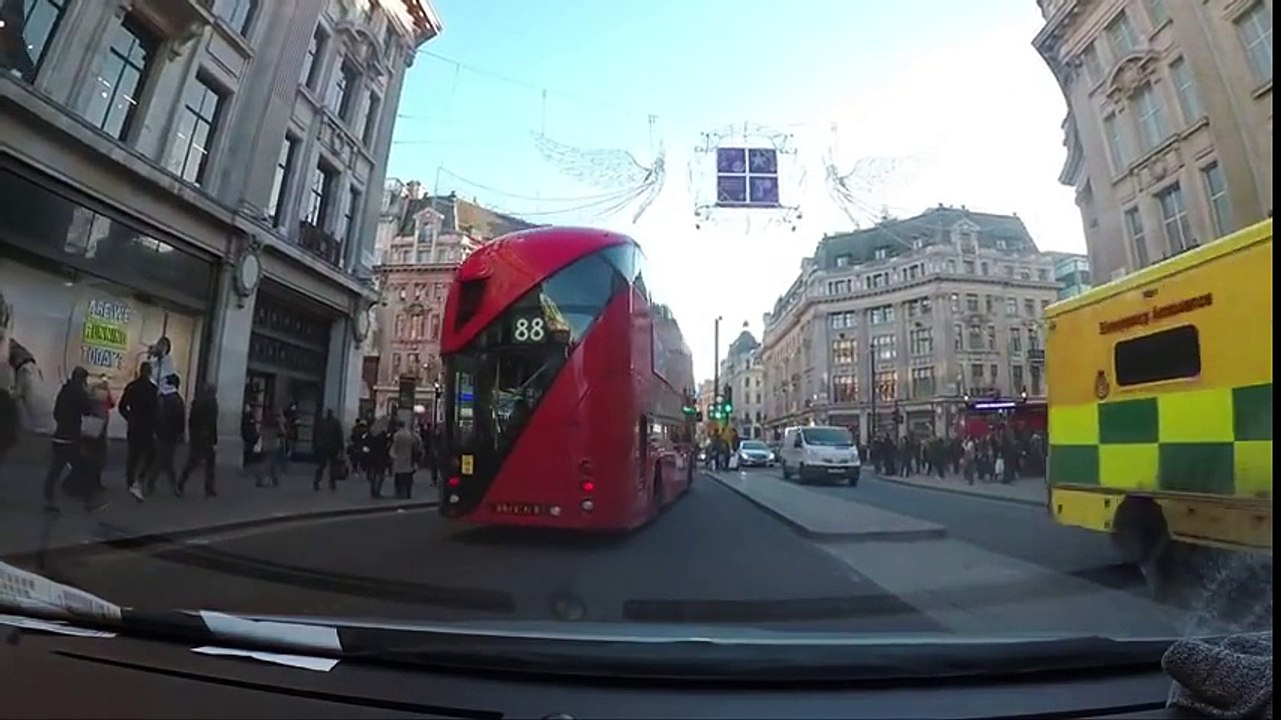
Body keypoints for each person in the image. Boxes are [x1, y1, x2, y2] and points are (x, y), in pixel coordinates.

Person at [42, 367, 94, 513]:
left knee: (55, 470)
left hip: (59, 436)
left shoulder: (64, 390)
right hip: (71, 438)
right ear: (83, 379)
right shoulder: (80, 392)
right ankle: (87, 501)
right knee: (84, 468)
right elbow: (88, 409)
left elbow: (56, 412)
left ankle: (49, 499)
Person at [118, 361, 158, 497]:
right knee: (150, 455)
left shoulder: (132, 387)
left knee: (133, 455)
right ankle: (141, 475)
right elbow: (156, 411)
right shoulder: (153, 389)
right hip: (147, 427)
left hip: (135, 425)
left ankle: (130, 481)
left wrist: (129, 417)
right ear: (149, 372)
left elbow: (122, 406)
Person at [148, 374, 187, 497]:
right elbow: (180, 418)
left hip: (161, 432)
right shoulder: (177, 399)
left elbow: (155, 415)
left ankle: (156, 483)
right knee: (164, 459)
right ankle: (171, 485)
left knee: (164, 459)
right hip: (171, 434)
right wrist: (180, 433)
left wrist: (155, 429)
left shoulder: (161, 398)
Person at [180, 383, 219, 497]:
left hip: (197, 436)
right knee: (209, 464)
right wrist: (214, 439)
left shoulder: (197, 401)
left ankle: (181, 483)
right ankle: (209, 488)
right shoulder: (212, 403)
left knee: (193, 462)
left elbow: (191, 420)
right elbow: (212, 423)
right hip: (207, 437)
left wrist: (193, 434)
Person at [312, 408, 344, 491]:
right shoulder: (336, 423)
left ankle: (317, 481)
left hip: (322, 447)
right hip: (332, 447)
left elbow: (315, 435)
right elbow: (339, 436)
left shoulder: (321, 422)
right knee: (332, 465)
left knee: (321, 465)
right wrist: (341, 448)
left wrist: (315, 445)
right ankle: (332, 482)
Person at [389, 420, 421, 500]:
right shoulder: (410, 435)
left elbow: (393, 448)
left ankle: (399, 493)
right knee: (408, 477)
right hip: (409, 459)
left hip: (398, 459)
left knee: (399, 477)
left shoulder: (396, 435)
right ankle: (407, 493)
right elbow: (416, 447)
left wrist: (392, 456)